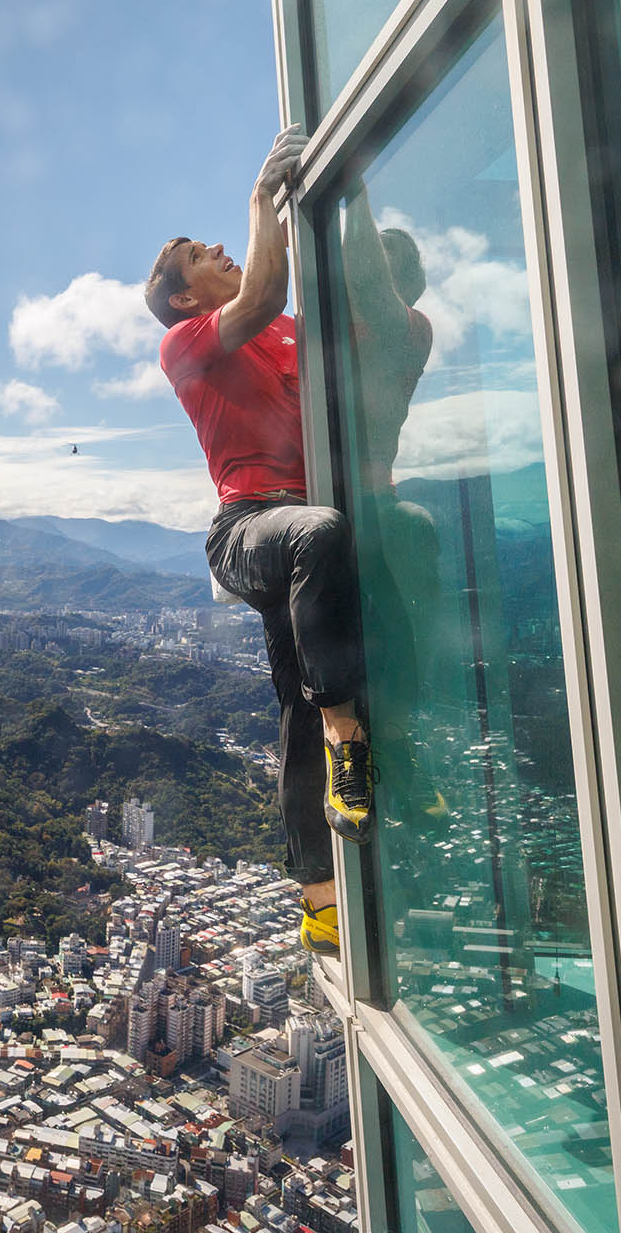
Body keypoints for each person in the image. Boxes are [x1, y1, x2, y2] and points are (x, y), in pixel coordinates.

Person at [143, 126, 437, 959]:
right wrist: (264, 200)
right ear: (185, 300)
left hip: (310, 536)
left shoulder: (290, 336)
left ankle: (319, 900)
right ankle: (359, 743)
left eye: (220, 241)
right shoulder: (191, 342)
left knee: (295, 703)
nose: (223, 250)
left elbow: (363, 322)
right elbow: (266, 296)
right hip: (250, 528)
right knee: (321, 533)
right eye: (203, 254)